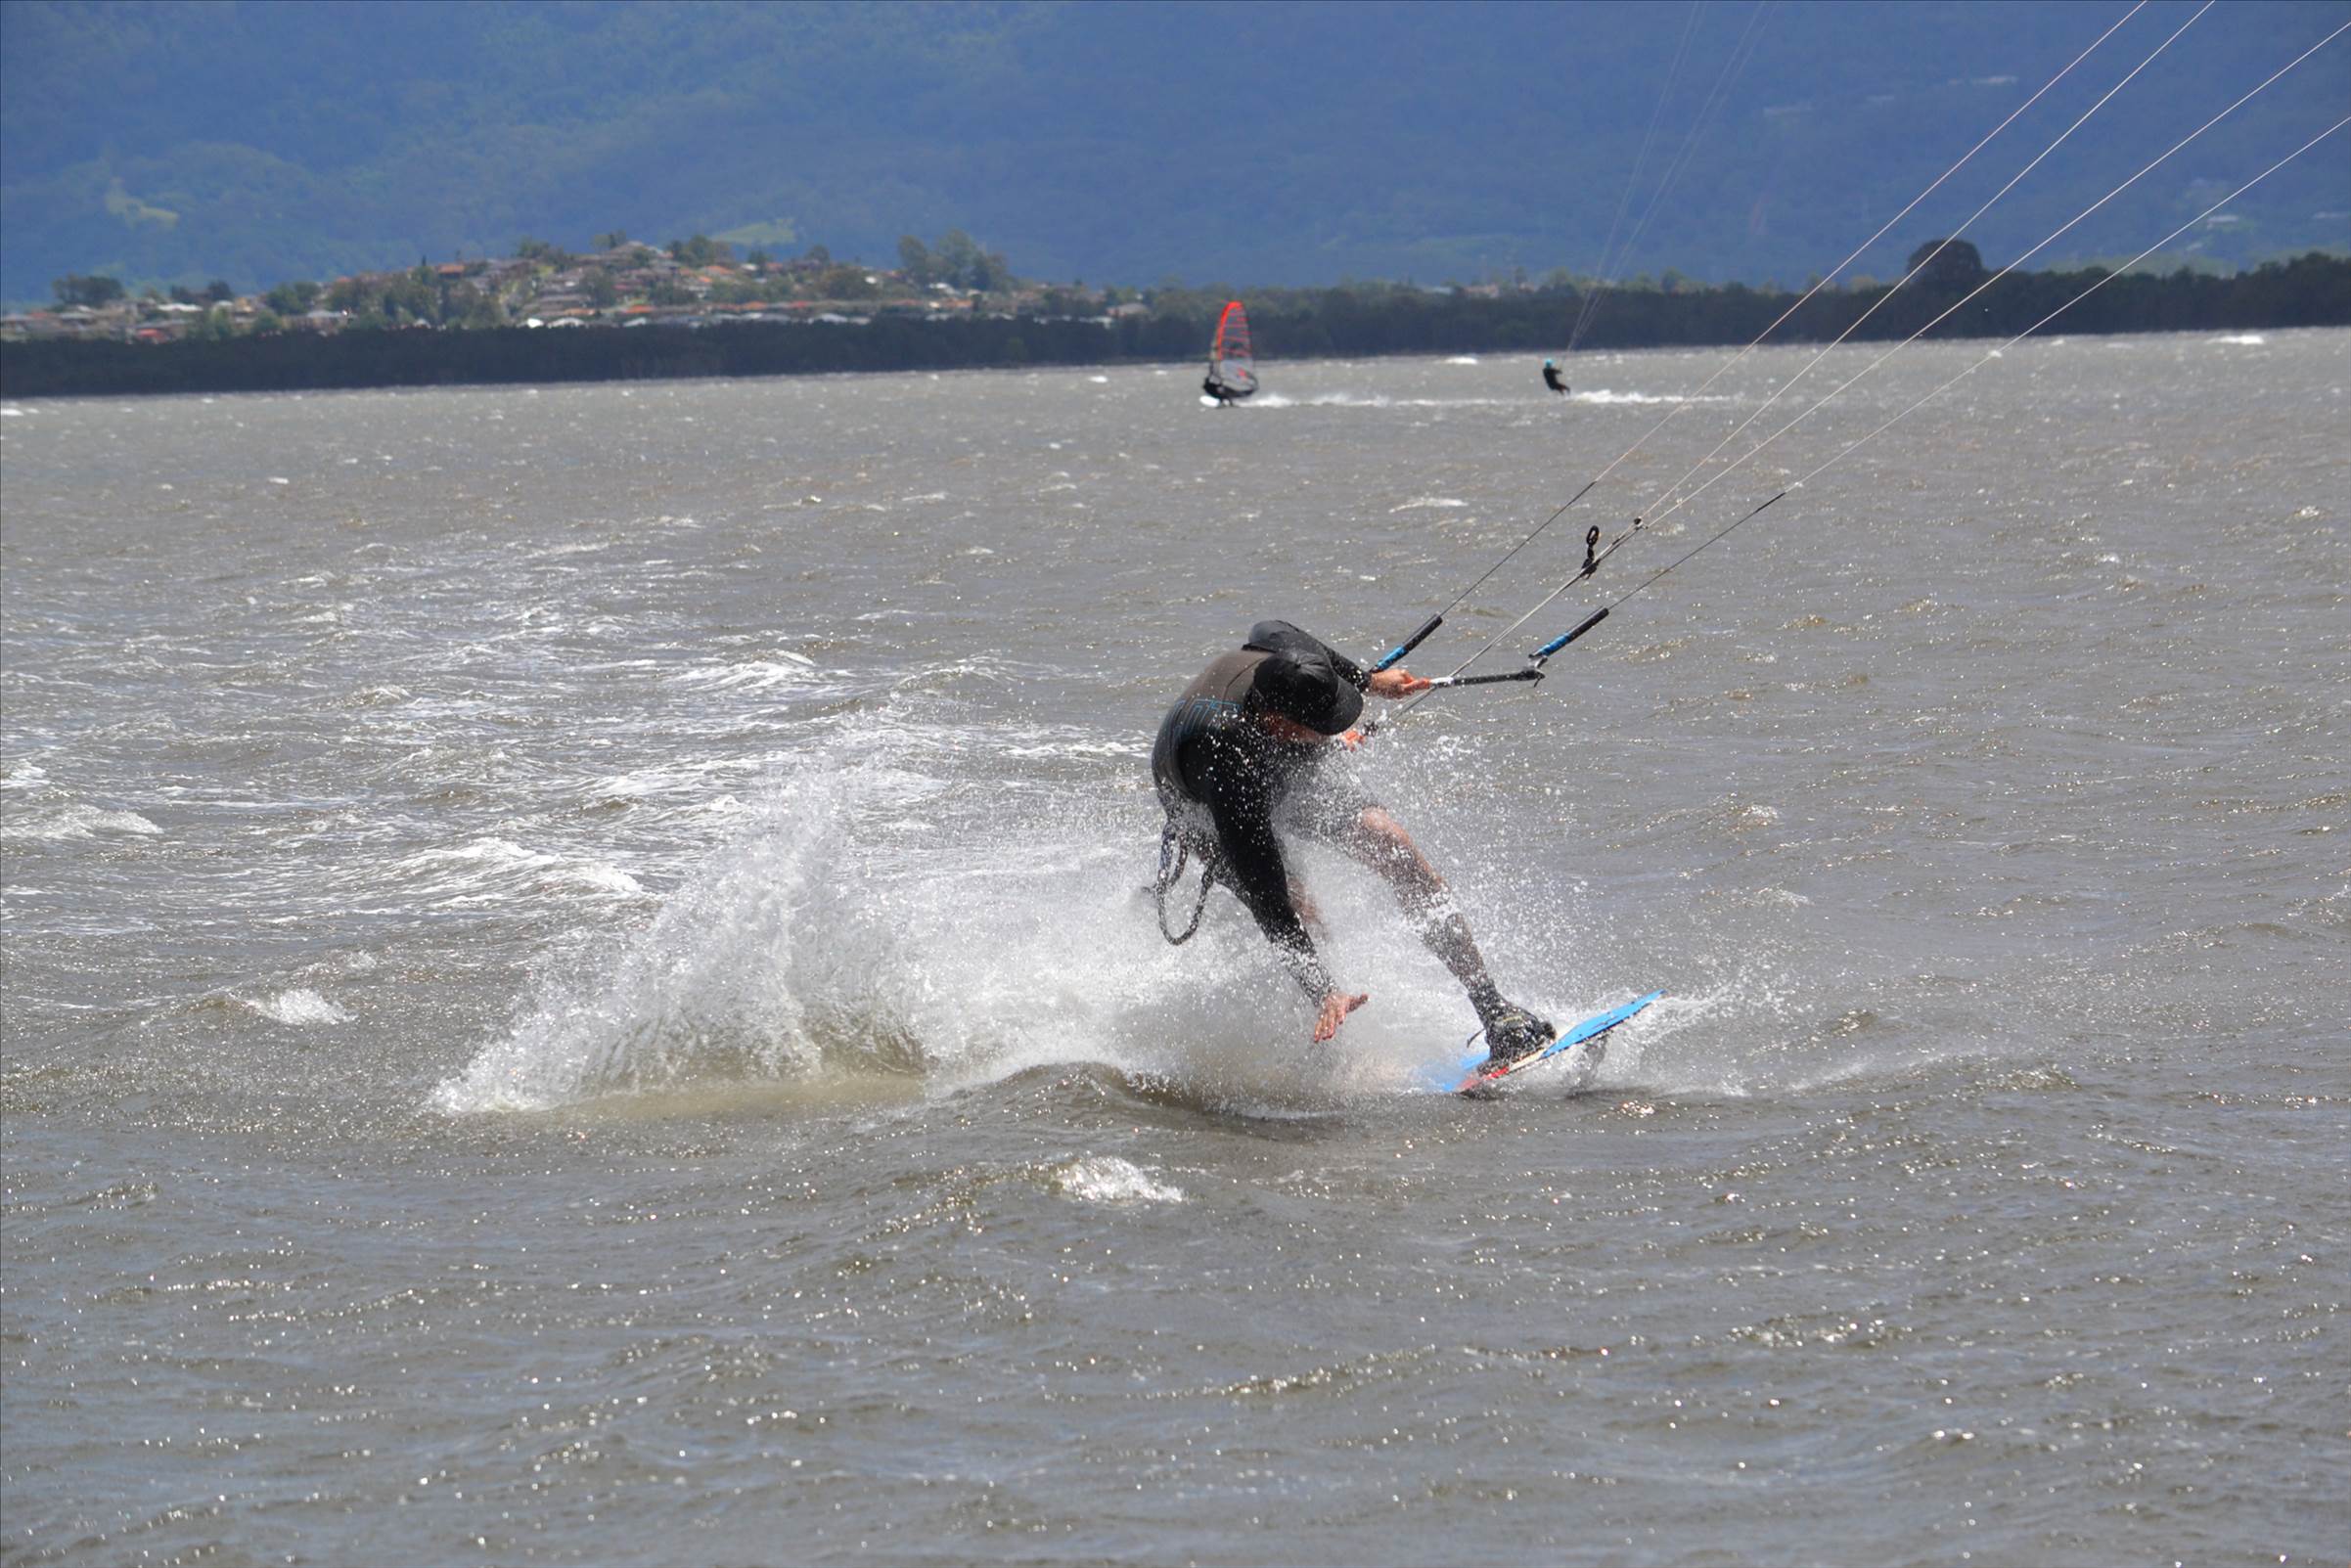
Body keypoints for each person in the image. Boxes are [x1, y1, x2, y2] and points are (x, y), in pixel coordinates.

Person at [1151, 620, 1555, 1065]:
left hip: (1282, 753)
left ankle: (1494, 1010)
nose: (1339, 730)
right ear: (1283, 724)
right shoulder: (1225, 761)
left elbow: (1271, 627)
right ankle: (1325, 1030)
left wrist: (1368, 681)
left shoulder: (1288, 657)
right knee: (1298, 906)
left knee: (1395, 849)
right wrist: (1321, 987)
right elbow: (1268, 896)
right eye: (1327, 724)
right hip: (1205, 807)